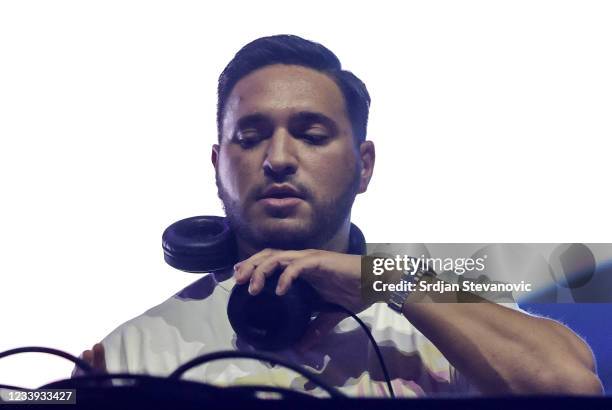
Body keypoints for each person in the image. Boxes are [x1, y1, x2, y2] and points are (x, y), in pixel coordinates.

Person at [73, 35, 603, 397]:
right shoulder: (136, 351)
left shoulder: (442, 314)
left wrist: (387, 278)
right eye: (251, 137)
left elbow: (575, 388)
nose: (278, 158)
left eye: (311, 134)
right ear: (218, 166)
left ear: (363, 165)